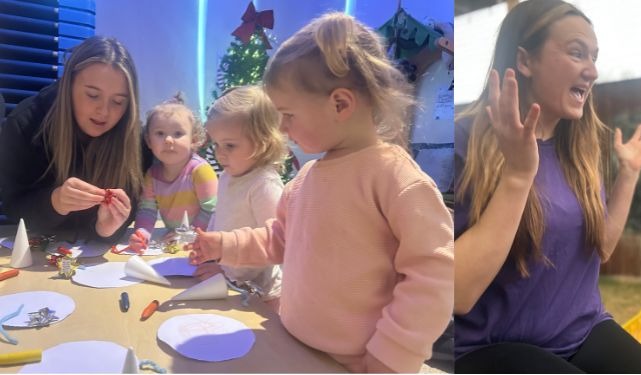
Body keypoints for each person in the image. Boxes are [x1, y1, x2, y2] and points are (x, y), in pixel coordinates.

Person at [187, 12, 454, 373]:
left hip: (361, 363)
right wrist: (224, 244)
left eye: (287, 115)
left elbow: (433, 278)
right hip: (294, 345)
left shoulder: (396, 178)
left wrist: (390, 356)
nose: (280, 127)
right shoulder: (306, 177)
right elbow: (279, 238)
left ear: (340, 104)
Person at [454, 1, 641, 372]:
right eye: (576, 53)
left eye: (594, 57)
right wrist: (518, 176)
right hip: (487, 347)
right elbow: (457, 292)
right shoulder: (461, 140)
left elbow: (600, 247)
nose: (593, 71)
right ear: (525, 61)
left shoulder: (577, 148)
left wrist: (629, 175)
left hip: (580, 331)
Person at [0, 36, 146, 243]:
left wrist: (106, 229)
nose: (104, 111)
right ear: (68, 85)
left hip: (95, 262)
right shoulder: (26, 122)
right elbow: (14, 207)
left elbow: (127, 211)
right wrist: (55, 202)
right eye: (93, 95)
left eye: (118, 101)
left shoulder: (133, 138)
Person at [194, 85, 286, 307]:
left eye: (230, 145)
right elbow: (221, 214)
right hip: (230, 282)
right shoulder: (227, 176)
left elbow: (277, 243)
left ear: (263, 142)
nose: (219, 153)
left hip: (262, 294)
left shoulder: (263, 184)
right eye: (216, 144)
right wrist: (211, 248)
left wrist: (225, 264)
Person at [128, 93, 217, 250]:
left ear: (194, 140)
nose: (168, 140)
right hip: (176, 241)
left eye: (178, 134)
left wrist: (188, 234)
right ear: (149, 141)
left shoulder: (200, 170)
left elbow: (213, 211)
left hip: (205, 241)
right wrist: (142, 234)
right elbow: (147, 210)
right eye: (160, 133)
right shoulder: (152, 174)